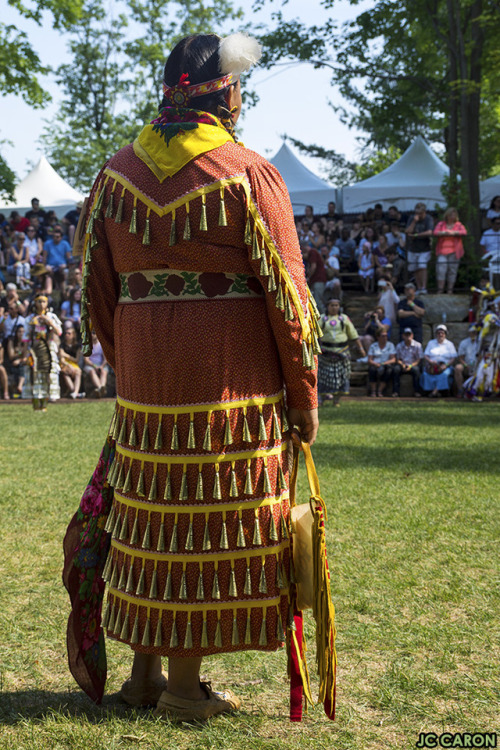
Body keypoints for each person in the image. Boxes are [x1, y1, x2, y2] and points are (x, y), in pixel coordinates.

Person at [63, 32, 323, 723]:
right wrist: (304, 397)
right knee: (204, 525)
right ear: (225, 94)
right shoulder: (245, 171)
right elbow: (289, 301)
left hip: (146, 391)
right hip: (228, 392)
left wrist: (135, 370)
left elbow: (97, 292)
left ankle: (143, 679)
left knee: (149, 519)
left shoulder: (115, 175)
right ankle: (183, 690)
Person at [317, 298, 365, 406]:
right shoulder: (322, 319)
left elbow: (354, 335)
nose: (334, 307)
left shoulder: (344, 319)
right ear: (327, 307)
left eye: (336, 305)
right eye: (332, 305)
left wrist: (361, 349)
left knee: (342, 376)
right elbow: (314, 333)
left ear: (339, 307)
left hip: (342, 351)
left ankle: (336, 400)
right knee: (324, 376)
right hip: (326, 352)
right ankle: (322, 398)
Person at [23, 294, 62, 410]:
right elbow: (26, 338)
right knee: (34, 376)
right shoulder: (30, 319)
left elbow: (59, 332)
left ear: (47, 303)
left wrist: (49, 322)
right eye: (39, 301)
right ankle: (36, 406)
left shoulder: (52, 317)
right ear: (34, 303)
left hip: (48, 349)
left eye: (44, 301)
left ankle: (45, 406)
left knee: (49, 374)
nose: (41, 304)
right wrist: (25, 354)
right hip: (34, 349)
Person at [433, 207, 467, 294]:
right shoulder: (441, 224)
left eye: (454, 214)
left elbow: (464, 232)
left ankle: (450, 290)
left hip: (454, 252)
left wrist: (454, 233)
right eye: (451, 214)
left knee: (452, 270)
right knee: (441, 269)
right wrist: (443, 233)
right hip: (442, 251)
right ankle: (440, 290)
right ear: (447, 215)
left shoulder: (458, 225)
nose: (452, 216)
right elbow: (435, 232)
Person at [421, 324, 457, 397]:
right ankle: (433, 391)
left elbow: (453, 358)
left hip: (445, 365)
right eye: (438, 333)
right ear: (436, 334)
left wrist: (446, 365)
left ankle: (435, 392)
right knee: (425, 374)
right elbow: (425, 355)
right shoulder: (431, 343)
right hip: (432, 365)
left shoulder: (450, 344)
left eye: (442, 333)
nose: (440, 335)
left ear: (445, 334)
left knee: (444, 374)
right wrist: (430, 361)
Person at [406, 202, 433, 294]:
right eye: (417, 213)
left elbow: (429, 232)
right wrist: (414, 221)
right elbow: (408, 231)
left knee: (422, 266)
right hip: (413, 248)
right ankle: (419, 287)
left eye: (420, 213)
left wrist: (417, 235)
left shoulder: (428, 219)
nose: (418, 215)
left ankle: (424, 287)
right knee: (415, 268)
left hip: (424, 248)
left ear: (424, 212)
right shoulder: (411, 218)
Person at [393, 328, 423, 397]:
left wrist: (410, 366)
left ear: (412, 335)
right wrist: (402, 365)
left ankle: (417, 392)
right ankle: (395, 392)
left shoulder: (418, 345)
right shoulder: (399, 346)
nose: (408, 337)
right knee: (396, 369)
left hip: (413, 364)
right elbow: (397, 359)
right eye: (406, 335)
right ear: (403, 336)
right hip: (402, 364)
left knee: (416, 370)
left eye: (409, 334)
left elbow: (419, 359)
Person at [367, 329, 396, 397]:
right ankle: (373, 391)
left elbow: (393, 359)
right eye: (383, 336)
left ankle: (380, 390)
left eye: (386, 336)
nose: (385, 337)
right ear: (378, 337)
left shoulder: (390, 345)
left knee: (389, 371)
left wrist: (383, 363)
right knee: (372, 370)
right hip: (375, 364)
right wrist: (375, 364)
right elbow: (369, 360)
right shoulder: (373, 346)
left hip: (385, 364)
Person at [59, 322, 83, 399]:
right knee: (65, 372)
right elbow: (62, 359)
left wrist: (66, 355)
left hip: (74, 364)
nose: (67, 335)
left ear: (73, 335)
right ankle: (75, 393)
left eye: (69, 333)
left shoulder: (77, 346)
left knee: (78, 372)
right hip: (65, 364)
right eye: (66, 333)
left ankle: (75, 392)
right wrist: (68, 365)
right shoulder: (62, 345)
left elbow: (76, 359)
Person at [454, 324, 479, 394]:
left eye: (475, 332)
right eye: (472, 332)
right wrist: (466, 365)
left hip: (478, 365)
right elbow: (460, 358)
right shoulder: (464, 342)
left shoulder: (481, 342)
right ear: (469, 332)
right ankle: (460, 389)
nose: (473, 333)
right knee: (458, 368)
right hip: (466, 365)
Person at [6, 323, 27, 397]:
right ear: (16, 332)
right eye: (19, 331)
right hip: (11, 363)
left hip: (20, 363)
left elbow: (25, 357)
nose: (21, 334)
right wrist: (19, 354)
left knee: (22, 366)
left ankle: (20, 386)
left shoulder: (25, 342)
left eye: (23, 332)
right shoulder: (11, 341)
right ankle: (18, 389)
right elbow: (11, 356)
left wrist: (19, 360)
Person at [480, 217, 500, 289]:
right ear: (492, 224)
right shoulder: (487, 233)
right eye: (497, 223)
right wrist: (485, 254)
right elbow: (482, 246)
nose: (498, 225)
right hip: (490, 255)